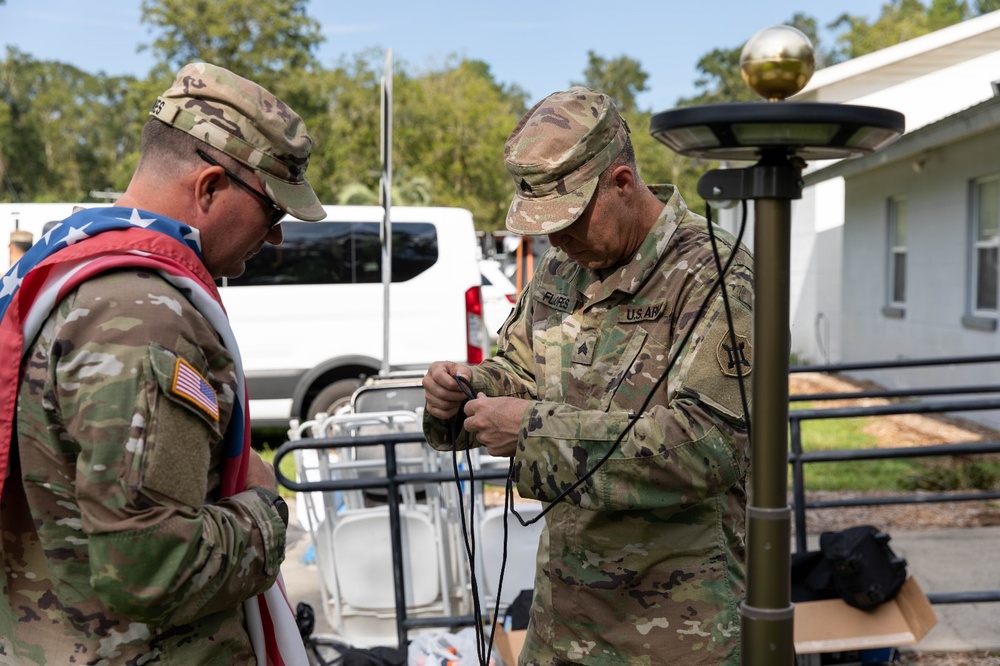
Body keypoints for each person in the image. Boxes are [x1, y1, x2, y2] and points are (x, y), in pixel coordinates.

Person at [0, 62, 326, 664]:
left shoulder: (67, 263)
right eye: (272, 211)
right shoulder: (143, 310)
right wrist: (265, 509)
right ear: (208, 188)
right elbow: (150, 567)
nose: (276, 237)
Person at [422, 87, 753, 665]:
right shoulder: (564, 267)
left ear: (621, 184)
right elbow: (522, 368)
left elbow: (711, 446)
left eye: (569, 219)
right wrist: (467, 390)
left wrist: (532, 433)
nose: (556, 241)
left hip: (675, 635)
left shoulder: (715, 276)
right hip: (562, 623)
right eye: (544, 225)